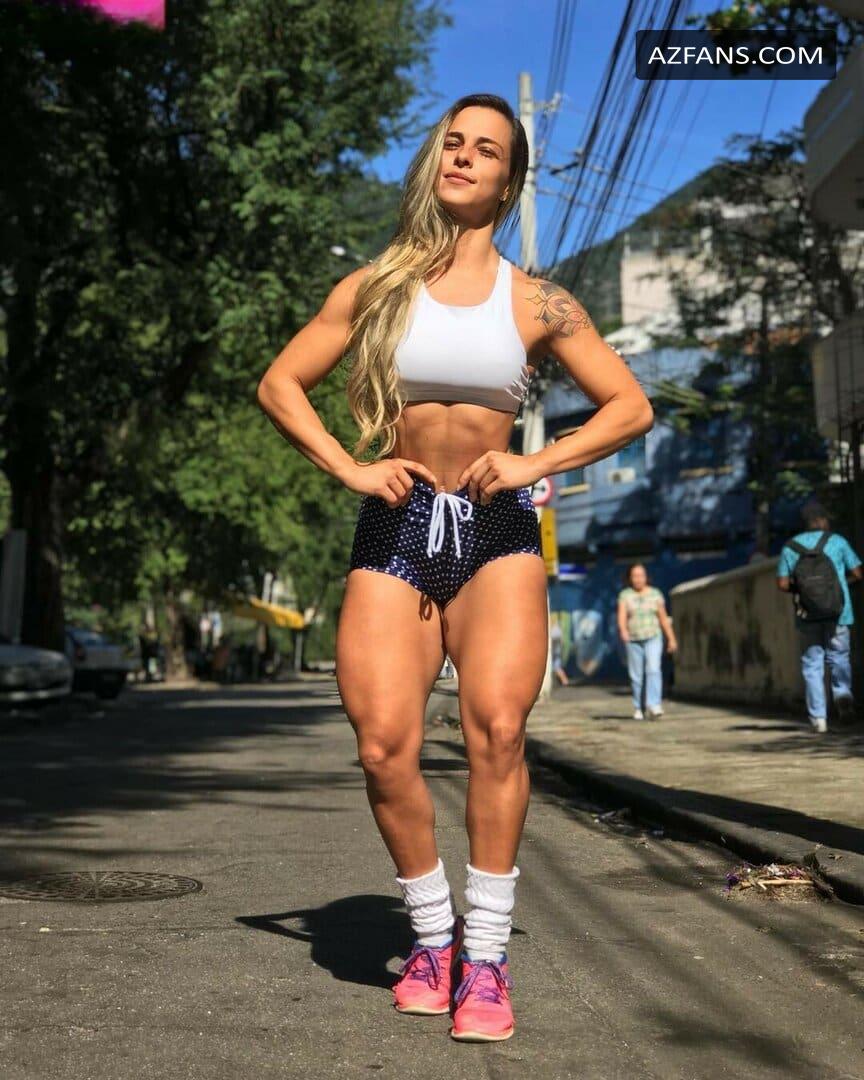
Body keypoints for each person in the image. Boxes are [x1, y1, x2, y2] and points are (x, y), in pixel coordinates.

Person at [256, 93, 652, 1044]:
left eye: (486, 150)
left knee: (498, 733)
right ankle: (434, 939)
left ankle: (488, 959)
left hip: (495, 529)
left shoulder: (537, 301)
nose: (464, 158)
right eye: (453, 144)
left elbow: (629, 406)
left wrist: (533, 460)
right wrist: (351, 467)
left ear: (510, 182)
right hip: (396, 526)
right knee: (382, 745)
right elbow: (280, 382)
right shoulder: (377, 287)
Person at [776, 503, 863, 733]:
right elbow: (858, 573)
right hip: (839, 612)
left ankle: (818, 719)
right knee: (839, 657)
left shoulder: (790, 547)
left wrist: (804, 592)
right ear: (824, 519)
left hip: (807, 614)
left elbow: (782, 584)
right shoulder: (837, 541)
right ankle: (843, 695)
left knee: (812, 664)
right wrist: (843, 585)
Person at [617, 564, 677, 720]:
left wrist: (671, 638)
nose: (638, 579)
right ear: (630, 578)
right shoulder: (625, 595)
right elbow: (622, 616)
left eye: (641, 575)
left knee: (653, 669)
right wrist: (623, 631)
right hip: (633, 639)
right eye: (635, 576)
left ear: (646, 577)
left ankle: (654, 704)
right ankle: (639, 707)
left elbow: (663, 618)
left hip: (653, 636)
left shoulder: (655, 594)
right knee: (636, 676)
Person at [550, 618, 570, 686]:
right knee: (556, 668)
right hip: (556, 652)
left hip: (555, 652)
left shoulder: (555, 630)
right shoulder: (556, 630)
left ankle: (565, 681)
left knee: (557, 668)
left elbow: (553, 639)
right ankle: (563, 681)